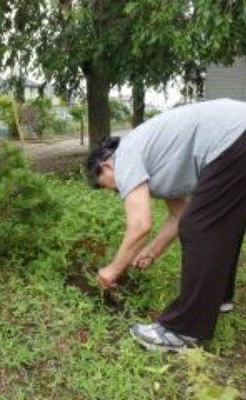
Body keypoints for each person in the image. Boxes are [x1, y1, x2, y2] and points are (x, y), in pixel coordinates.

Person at [86, 98, 246, 352]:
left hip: (232, 136)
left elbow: (140, 225)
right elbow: (179, 215)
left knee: (199, 227)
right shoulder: (156, 164)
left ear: (105, 166)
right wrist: (151, 252)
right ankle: (217, 299)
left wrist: (112, 270)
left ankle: (183, 330)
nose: (118, 192)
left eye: (109, 186)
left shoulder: (125, 156)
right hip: (236, 135)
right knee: (221, 224)